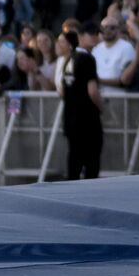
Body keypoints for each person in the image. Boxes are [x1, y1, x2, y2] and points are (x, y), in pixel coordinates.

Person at [55, 29, 103, 179]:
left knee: (74, 161)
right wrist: (102, 108)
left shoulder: (67, 61)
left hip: (71, 117)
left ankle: (71, 194)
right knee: (91, 162)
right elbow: (92, 91)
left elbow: (62, 90)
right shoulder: (87, 59)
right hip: (87, 118)